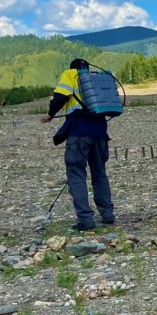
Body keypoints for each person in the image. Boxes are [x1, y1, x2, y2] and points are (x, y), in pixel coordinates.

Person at [42, 58, 116, 231]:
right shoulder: (97, 80)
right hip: (100, 132)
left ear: (73, 68)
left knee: (76, 175)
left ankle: (85, 219)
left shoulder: (71, 75)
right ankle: (108, 215)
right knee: (99, 174)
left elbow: (60, 97)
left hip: (78, 132)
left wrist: (50, 114)